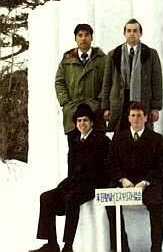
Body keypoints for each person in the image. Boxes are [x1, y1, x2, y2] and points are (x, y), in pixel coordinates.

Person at [30, 104, 110, 252]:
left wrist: (79, 182)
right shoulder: (74, 140)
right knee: (46, 197)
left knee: (71, 198)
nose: (82, 124)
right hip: (75, 182)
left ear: (92, 122)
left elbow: (104, 170)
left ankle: (68, 245)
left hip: (93, 184)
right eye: (79, 121)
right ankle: (51, 244)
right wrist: (65, 184)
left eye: (85, 120)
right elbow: (72, 169)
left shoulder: (101, 140)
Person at [106, 101, 163, 252]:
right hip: (125, 183)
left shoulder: (156, 140)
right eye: (133, 115)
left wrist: (145, 182)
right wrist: (122, 179)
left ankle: (156, 248)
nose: (136, 119)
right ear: (128, 118)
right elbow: (111, 164)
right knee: (110, 203)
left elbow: (161, 167)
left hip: (148, 184)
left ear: (146, 118)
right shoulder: (118, 138)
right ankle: (121, 247)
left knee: (158, 204)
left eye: (139, 115)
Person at [102, 18, 162, 132]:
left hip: (142, 101)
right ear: (124, 33)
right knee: (120, 136)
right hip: (119, 102)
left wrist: (155, 107)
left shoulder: (151, 54)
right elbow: (107, 82)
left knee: (142, 135)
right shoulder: (113, 54)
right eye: (129, 31)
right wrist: (105, 107)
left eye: (135, 31)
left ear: (140, 33)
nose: (132, 33)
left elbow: (157, 82)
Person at [55, 23, 106, 136]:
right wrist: (66, 102)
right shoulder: (67, 59)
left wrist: (100, 103)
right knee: (75, 149)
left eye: (87, 35)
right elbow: (59, 82)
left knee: (97, 148)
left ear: (91, 38)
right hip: (73, 112)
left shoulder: (102, 59)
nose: (83, 38)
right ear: (75, 38)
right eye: (80, 35)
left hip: (95, 112)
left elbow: (107, 82)